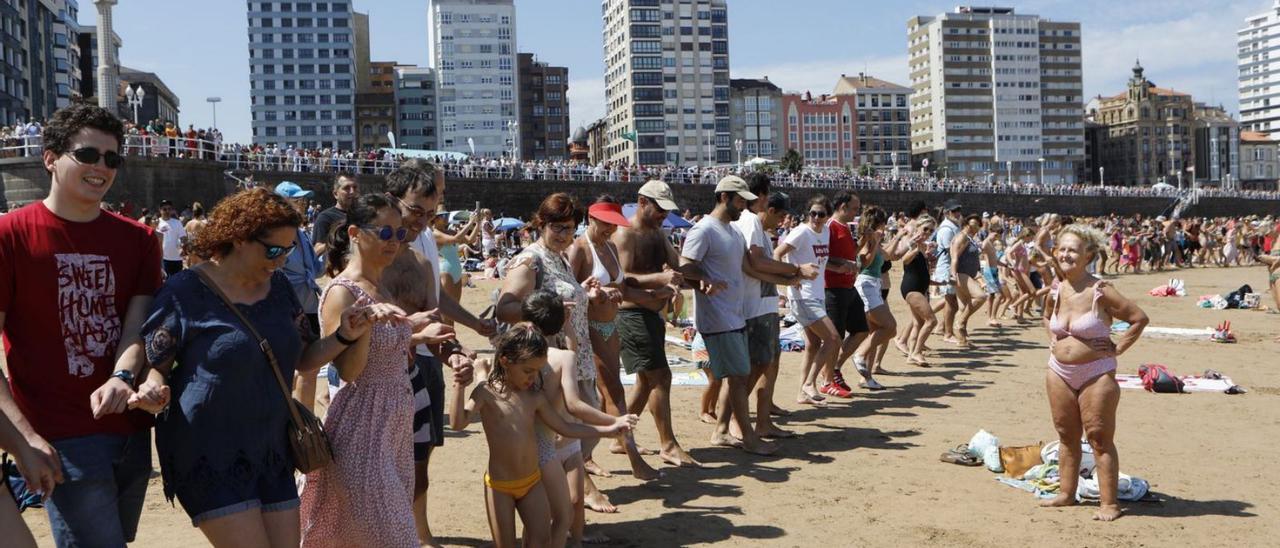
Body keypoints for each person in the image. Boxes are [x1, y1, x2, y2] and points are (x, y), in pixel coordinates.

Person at [128, 188, 381, 546]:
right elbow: (157, 365)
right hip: (207, 452)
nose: (281, 261)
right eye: (273, 250)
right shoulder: (185, 291)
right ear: (240, 238)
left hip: (272, 450)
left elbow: (304, 358)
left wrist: (343, 335)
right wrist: (152, 389)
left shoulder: (278, 288)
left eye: (289, 250)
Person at [0, 102, 162, 548]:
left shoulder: (141, 239)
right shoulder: (10, 235)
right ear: (50, 158)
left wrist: (123, 376)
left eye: (112, 159)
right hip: (60, 434)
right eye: (88, 155)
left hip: (129, 427)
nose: (101, 168)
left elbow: (136, 327)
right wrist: (23, 437)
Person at [300, 193, 430, 547]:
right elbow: (350, 372)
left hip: (394, 427)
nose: (394, 242)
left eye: (400, 234)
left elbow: (386, 351)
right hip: (363, 427)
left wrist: (416, 331)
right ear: (355, 233)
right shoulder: (343, 292)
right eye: (385, 233)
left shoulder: (381, 285)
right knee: (397, 537)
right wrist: (367, 324)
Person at [449, 323, 635, 548]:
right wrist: (459, 386)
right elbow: (458, 423)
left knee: (542, 541)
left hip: (531, 483)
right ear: (505, 361)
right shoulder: (485, 393)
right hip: (499, 487)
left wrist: (607, 430)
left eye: (538, 370)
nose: (533, 377)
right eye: (528, 371)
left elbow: (565, 428)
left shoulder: (534, 397)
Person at [380, 162, 489, 546]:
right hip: (375, 381)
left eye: (431, 214)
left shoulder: (424, 256)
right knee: (377, 470)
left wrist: (454, 352)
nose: (423, 222)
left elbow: (435, 315)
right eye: (416, 212)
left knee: (419, 461)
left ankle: (418, 533)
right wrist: (416, 332)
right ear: (392, 202)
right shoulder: (367, 254)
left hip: (420, 370)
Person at [497, 192, 622, 513]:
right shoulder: (530, 259)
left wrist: (588, 293)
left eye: (570, 228)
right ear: (542, 224)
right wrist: (547, 310)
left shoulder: (561, 257)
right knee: (563, 430)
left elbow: (568, 299)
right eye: (558, 228)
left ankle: (569, 496)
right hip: (547, 360)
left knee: (581, 417)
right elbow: (505, 307)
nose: (565, 235)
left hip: (574, 355)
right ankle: (570, 499)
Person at [1040, 224, 1148, 522]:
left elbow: (1138, 318)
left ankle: (1109, 504)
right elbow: (1046, 315)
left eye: (1073, 250)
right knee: (1066, 435)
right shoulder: (1056, 288)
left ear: (1087, 255)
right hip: (1058, 371)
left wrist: (1117, 348)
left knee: (1099, 438)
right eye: (1061, 249)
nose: (1066, 255)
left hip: (1096, 373)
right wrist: (1052, 337)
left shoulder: (1101, 290)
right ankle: (1066, 493)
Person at [679, 175, 790, 456]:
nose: (744, 206)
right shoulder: (704, 230)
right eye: (740, 200)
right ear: (724, 197)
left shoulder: (734, 232)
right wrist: (704, 280)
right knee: (739, 376)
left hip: (736, 315)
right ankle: (747, 437)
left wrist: (792, 278)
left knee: (738, 376)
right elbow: (685, 266)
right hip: (717, 317)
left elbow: (750, 269)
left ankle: (724, 432)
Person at [567, 196, 662, 481]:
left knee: (598, 397)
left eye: (614, 224)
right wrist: (596, 295)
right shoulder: (579, 249)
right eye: (606, 223)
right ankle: (632, 456)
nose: (611, 229)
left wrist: (655, 294)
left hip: (611, 326)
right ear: (592, 219)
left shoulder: (608, 246)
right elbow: (567, 293)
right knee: (612, 394)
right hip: (588, 330)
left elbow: (624, 290)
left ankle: (586, 456)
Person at [613, 180, 698, 467]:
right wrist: (660, 280)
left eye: (666, 209)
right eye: (659, 208)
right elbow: (621, 279)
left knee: (646, 381)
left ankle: (619, 436)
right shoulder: (625, 233)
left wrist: (700, 280)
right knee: (660, 377)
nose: (663, 214)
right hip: (631, 313)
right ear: (642, 202)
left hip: (652, 314)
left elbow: (677, 267)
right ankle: (667, 444)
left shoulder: (658, 234)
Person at [732, 173, 814, 436]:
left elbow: (757, 265)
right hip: (754, 306)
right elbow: (755, 264)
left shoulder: (756, 226)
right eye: (780, 216)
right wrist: (795, 269)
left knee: (766, 363)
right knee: (755, 367)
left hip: (762, 303)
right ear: (764, 198)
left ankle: (761, 420)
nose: (783, 221)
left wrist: (790, 277)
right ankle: (738, 420)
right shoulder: (751, 221)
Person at [774, 195, 842, 404]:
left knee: (813, 344)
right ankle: (810, 383)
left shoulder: (826, 232)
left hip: (817, 293)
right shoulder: (802, 231)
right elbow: (777, 253)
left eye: (821, 214)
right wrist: (788, 280)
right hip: (803, 296)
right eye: (812, 213)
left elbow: (820, 261)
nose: (816, 218)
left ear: (827, 216)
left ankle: (802, 393)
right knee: (833, 338)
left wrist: (842, 266)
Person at [274, 182, 325, 412]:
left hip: (309, 306)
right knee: (284, 368)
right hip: (286, 308)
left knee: (310, 369)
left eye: (302, 200)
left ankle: (307, 419)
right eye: (297, 200)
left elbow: (315, 269)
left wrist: (332, 254)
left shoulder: (303, 234)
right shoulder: (272, 235)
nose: (302, 205)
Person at [822, 191, 868, 397]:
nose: (856, 213)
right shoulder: (830, 227)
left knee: (860, 329)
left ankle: (835, 368)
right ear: (842, 207)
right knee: (836, 336)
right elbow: (823, 257)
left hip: (848, 286)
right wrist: (842, 266)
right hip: (833, 288)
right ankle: (828, 378)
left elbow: (847, 254)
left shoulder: (845, 228)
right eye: (854, 209)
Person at [850, 206, 897, 390]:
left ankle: (866, 378)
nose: (884, 227)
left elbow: (889, 256)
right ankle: (859, 354)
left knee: (875, 331)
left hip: (874, 285)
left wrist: (902, 238)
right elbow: (865, 262)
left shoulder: (875, 239)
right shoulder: (867, 239)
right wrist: (875, 241)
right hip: (866, 285)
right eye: (883, 223)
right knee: (890, 327)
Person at [892, 215, 938, 366]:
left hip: (919, 287)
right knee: (931, 321)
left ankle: (911, 355)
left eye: (931, 230)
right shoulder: (912, 242)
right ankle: (917, 351)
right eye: (925, 229)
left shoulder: (923, 245)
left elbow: (921, 270)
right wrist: (918, 249)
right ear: (918, 227)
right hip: (911, 288)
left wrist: (935, 280)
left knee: (918, 322)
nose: (927, 232)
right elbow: (904, 260)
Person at [950, 214, 988, 348]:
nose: (975, 227)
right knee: (981, 297)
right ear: (966, 224)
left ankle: (962, 340)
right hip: (961, 274)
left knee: (963, 307)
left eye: (978, 224)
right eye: (973, 224)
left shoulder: (970, 238)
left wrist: (978, 276)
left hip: (969, 274)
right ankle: (960, 323)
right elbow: (954, 256)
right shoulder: (962, 237)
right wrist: (953, 275)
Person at [932, 201, 964, 342]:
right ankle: (948, 333)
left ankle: (942, 327)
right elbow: (949, 250)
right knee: (951, 302)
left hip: (949, 267)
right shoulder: (946, 229)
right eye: (954, 211)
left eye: (958, 210)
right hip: (946, 268)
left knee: (950, 301)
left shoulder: (953, 226)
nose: (957, 213)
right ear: (947, 213)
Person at [311, 173, 359, 259]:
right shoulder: (325, 217)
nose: (352, 192)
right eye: (346, 188)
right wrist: (338, 241)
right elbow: (316, 251)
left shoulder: (363, 216)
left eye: (355, 187)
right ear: (335, 194)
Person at [156, 199, 187, 276]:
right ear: (160, 210)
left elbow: (183, 237)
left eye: (169, 209)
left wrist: (183, 246)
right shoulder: (157, 223)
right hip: (163, 259)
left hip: (177, 258)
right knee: (164, 282)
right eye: (164, 209)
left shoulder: (177, 222)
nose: (167, 211)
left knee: (176, 282)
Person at [183, 202, 209, 267]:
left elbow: (185, 237)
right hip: (200, 250)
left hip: (191, 249)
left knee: (192, 268)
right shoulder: (203, 224)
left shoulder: (188, 224)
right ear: (202, 213)